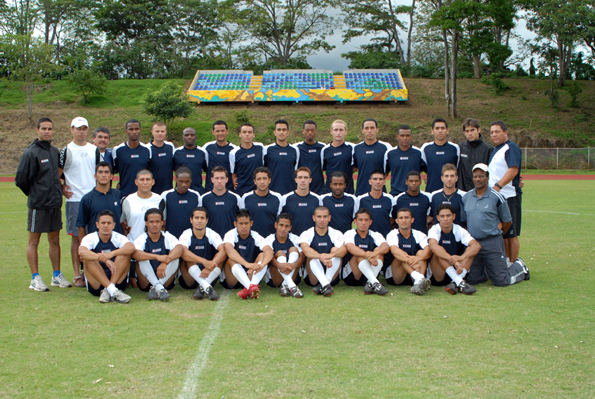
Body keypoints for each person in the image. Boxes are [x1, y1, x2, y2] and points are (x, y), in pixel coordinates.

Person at [15, 117, 69, 291]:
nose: (47, 131)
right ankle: (35, 278)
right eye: (44, 128)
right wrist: (35, 195)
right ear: (37, 130)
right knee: (34, 242)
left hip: (54, 204)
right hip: (38, 205)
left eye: (50, 128)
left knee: (54, 241)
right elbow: (21, 180)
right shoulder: (31, 153)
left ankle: (56, 275)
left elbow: (57, 176)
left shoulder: (54, 151)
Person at [461, 164, 529, 287]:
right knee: (473, 280)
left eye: (481, 176)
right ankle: (489, 270)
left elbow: (507, 221)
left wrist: (497, 235)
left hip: (492, 242)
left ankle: (519, 266)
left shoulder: (496, 196)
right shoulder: (466, 197)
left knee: (501, 281)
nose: (478, 179)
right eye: (475, 176)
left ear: (487, 177)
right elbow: (465, 221)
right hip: (474, 243)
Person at [60, 117, 101, 287]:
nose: (81, 131)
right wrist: (62, 187)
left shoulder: (94, 149)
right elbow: (58, 173)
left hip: (93, 197)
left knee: (96, 235)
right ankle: (77, 274)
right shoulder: (66, 150)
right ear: (71, 130)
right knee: (77, 239)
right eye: (78, 128)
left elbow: (99, 172)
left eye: (84, 128)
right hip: (75, 199)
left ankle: (91, 271)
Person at [78, 210, 135, 303]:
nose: (106, 225)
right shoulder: (90, 238)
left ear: (113, 225)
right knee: (87, 258)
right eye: (103, 223)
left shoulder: (118, 237)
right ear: (97, 225)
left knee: (125, 254)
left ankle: (109, 290)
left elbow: (131, 248)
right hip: (97, 283)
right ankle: (112, 290)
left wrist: (111, 254)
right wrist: (104, 259)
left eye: (109, 223)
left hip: (116, 279)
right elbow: (81, 251)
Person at [488, 120, 523, 264]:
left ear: (505, 132)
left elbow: (513, 170)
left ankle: (512, 264)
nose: (494, 135)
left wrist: (498, 186)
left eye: (497, 131)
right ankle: (505, 262)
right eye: (491, 132)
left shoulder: (511, 148)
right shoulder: (495, 149)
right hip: (497, 198)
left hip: (509, 197)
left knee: (511, 234)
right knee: (502, 233)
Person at [428, 204, 481, 295]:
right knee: (438, 251)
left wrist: (462, 257)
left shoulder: (459, 229)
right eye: (442, 216)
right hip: (440, 275)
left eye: (448, 215)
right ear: (437, 218)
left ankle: (455, 282)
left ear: (454, 216)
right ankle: (460, 282)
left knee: (470, 250)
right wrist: (454, 261)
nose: (445, 219)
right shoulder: (434, 229)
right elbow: (433, 246)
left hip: (459, 271)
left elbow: (476, 246)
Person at [222, 209, 274, 299]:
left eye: (246, 223)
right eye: (241, 223)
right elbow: (229, 250)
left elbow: (269, 251)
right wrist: (246, 264)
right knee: (231, 259)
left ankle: (249, 287)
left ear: (251, 223)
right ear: (235, 224)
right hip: (232, 279)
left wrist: (262, 265)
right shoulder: (230, 234)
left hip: (249, 273)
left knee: (263, 255)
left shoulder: (255, 235)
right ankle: (251, 287)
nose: (244, 226)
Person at [133, 208, 183, 301]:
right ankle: (159, 288)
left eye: (157, 221)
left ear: (162, 223)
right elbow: (135, 254)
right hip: (146, 281)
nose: (155, 224)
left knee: (175, 258)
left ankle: (156, 287)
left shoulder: (167, 236)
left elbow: (180, 248)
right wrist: (157, 257)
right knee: (142, 259)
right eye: (151, 222)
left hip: (165, 279)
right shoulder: (142, 238)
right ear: (146, 223)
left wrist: (165, 262)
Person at [178, 207, 226, 301]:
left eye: (202, 218)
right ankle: (207, 287)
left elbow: (223, 251)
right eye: (196, 218)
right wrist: (205, 262)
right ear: (191, 220)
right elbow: (183, 253)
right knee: (188, 259)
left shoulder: (212, 234)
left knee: (220, 258)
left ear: (207, 220)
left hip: (209, 274)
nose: (199, 221)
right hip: (190, 278)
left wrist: (210, 266)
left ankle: (203, 287)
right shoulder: (186, 234)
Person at [300, 206, 347, 296]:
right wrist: (321, 257)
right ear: (314, 218)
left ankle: (325, 284)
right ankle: (326, 285)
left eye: (325, 217)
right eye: (319, 217)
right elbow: (306, 250)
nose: (322, 220)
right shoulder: (307, 233)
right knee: (311, 257)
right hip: (313, 278)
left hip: (331, 273)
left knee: (336, 250)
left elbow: (343, 251)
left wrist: (330, 256)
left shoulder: (336, 233)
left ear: (329, 218)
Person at [343, 208, 390, 295]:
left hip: (369, 271)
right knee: (360, 254)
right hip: (352, 276)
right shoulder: (349, 233)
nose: (363, 223)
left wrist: (374, 254)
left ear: (370, 222)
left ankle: (370, 282)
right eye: (360, 220)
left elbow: (386, 247)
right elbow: (350, 248)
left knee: (378, 250)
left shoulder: (375, 234)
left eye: (366, 220)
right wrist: (367, 256)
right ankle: (375, 283)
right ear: (355, 222)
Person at [386, 208, 432, 295]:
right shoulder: (392, 234)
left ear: (412, 220)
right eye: (401, 218)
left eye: (406, 218)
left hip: (416, 268)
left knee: (421, 253)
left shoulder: (419, 234)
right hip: (397, 276)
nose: (404, 220)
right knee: (400, 254)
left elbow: (428, 251)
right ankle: (420, 278)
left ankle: (418, 283)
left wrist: (418, 258)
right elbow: (394, 250)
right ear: (396, 220)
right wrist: (411, 261)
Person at [76, 162, 123, 239]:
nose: (103, 175)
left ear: (111, 176)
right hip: (96, 246)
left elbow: (123, 222)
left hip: (117, 244)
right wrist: (84, 246)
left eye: (106, 172)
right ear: (95, 176)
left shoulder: (119, 195)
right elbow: (81, 225)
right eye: (100, 172)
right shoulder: (87, 199)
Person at [265, 213, 305, 298]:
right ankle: (292, 287)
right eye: (281, 225)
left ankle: (286, 285)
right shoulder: (269, 239)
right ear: (276, 225)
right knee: (280, 253)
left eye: (286, 226)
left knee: (294, 249)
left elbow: (302, 256)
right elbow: (268, 257)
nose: (283, 229)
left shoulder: (295, 239)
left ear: (290, 227)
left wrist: (292, 265)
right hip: (275, 279)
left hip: (293, 274)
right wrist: (280, 265)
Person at [121, 169, 165, 244]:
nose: (145, 182)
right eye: (142, 179)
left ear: (153, 182)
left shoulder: (159, 200)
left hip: (154, 245)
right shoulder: (128, 200)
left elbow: (163, 224)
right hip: (133, 244)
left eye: (148, 179)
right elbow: (123, 223)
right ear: (136, 182)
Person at [240, 167, 283, 238]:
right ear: (254, 181)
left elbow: (280, 221)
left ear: (269, 180)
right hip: (251, 240)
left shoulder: (278, 197)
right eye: (259, 179)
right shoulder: (246, 197)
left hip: (270, 240)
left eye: (264, 178)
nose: (262, 182)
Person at [353, 119, 392, 196]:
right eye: (367, 128)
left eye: (372, 128)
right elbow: (354, 168)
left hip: (380, 192)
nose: (369, 131)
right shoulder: (356, 148)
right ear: (362, 130)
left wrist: (379, 179)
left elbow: (390, 167)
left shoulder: (386, 147)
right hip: (361, 191)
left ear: (377, 129)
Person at [112, 119, 151, 197]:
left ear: (140, 130)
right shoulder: (118, 150)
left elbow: (149, 170)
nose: (134, 132)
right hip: (124, 193)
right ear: (126, 131)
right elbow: (114, 170)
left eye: (136, 129)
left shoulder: (147, 149)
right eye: (131, 129)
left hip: (143, 193)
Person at [200, 166, 242, 238]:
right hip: (211, 240)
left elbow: (241, 219)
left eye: (222, 178)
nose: (219, 181)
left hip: (231, 240)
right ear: (212, 179)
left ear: (227, 179)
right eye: (217, 178)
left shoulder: (236, 198)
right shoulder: (203, 198)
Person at [421, 118, 460, 193]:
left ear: (447, 130)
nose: (440, 131)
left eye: (443, 128)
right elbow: (423, 167)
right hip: (431, 191)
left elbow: (457, 167)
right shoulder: (426, 148)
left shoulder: (455, 148)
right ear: (432, 131)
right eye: (437, 128)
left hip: (450, 192)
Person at [281, 167, 323, 236]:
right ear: (296, 180)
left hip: (311, 240)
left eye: (306, 177)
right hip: (292, 241)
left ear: (310, 180)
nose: (303, 180)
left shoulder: (317, 199)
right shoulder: (285, 198)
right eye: (300, 177)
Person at [385, 125, 426, 196]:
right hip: (395, 193)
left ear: (411, 137)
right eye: (402, 135)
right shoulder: (390, 153)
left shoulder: (418, 153)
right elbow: (385, 172)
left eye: (408, 135)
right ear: (397, 137)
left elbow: (425, 169)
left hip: (413, 192)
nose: (405, 138)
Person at [161, 167, 201, 239]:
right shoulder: (166, 195)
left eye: (187, 181)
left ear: (191, 181)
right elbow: (163, 220)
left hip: (190, 238)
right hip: (171, 238)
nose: (184, 184)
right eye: (181, 181)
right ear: (175, 179)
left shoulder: (196, 195)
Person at [264, 119, 300, 195]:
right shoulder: (267, 149)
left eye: (284, 130)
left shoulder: (295, 150)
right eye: (279, 130)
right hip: (272, 191)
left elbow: (296, 171)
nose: (281, 132)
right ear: (274, 132)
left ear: (288, 132)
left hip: (291, 191)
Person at [457, 118, 493, 191]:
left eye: (472, 130)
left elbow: (494, 171)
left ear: (479, 130)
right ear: (464, 132)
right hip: (463, 191)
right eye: (467, 131)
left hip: (482, 191)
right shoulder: (459, 148)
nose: (470, 133)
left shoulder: (488, 149)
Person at [230, 123, 265, 196]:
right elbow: (233, 172)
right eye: (244, 132)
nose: (247, 134)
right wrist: (234, 181)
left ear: (253, 134)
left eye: (249, 132)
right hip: (242, 190)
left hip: (258, 190)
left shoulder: (261, 148)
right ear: (240, 134)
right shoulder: (234, 153)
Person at [321, 120, 356, 194]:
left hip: (348, 191)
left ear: (346, 132)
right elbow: (323, 169)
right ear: (331, 131)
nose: (338, 133)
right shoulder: (325, 150)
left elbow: (356, 167)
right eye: (336, 130)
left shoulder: (352, 148)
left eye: (341, 130)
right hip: (329, 192)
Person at [358, 170, 394, 237]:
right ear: (370, 182)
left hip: (385, 237)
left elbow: (392, 218)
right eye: (375, 179)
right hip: (367, 238)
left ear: (384, 182)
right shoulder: (361, 199)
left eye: (380, 179)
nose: (378, 182)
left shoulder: (390, 198)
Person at [203, 120, 237, 192]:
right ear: (213, 132)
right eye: (217, 131)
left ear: (227, 131)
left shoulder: (234, 149)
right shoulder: (207, 147)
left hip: (229, 189)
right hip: (210, 189)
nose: (220, 133)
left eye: (223, 131)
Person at [173, 127, 208, 194]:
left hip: (198, 190)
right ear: (182, 137)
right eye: (186, 135)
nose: (189, 137)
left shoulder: (202, 152)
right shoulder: (176, 152)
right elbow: (173, 169)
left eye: (192, 135)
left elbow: (207, 170)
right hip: (180, 190)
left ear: (196, 137)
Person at [297, 120, 325, 195]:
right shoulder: (297, 148)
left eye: (312, 130)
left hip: (319, 190)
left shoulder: (322, 148)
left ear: (316, 131)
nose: (310, 132)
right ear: (303, 131)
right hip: (302, 189)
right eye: (307, 130)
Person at [147, 122, 175, 194]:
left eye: (162, 131)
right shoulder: (146, 148)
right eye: (157, 131)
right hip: (152, 191)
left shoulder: (170, 146)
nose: (160, 133)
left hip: (168, 190)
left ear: (166, 132)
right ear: (152, 132)